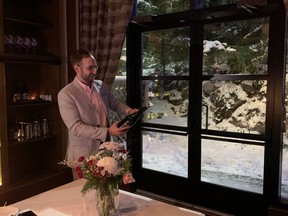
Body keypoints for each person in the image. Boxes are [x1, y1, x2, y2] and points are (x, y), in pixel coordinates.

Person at [58, 49, 139, 180]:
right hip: (83, 153)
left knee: (107, 190)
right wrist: (107, 132)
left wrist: (128, 111)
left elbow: (115, 104)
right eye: (90, 68)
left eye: (95, 67)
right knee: (85, 193)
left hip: (105, 150)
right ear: (77, 68)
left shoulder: (100, 85)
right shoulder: (66, 94)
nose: (95, 71)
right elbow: (75, 127)